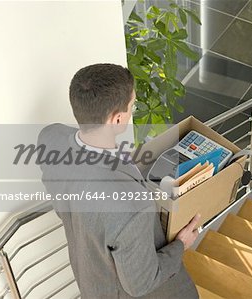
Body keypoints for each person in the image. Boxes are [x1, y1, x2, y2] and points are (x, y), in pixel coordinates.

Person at [38, 63, 200, 298]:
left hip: (91, 280)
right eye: (131, 106)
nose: (133, 110)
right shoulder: (131, 207)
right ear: (116, 120)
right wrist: (180, 245)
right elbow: (141, 284)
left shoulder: (51, 139)